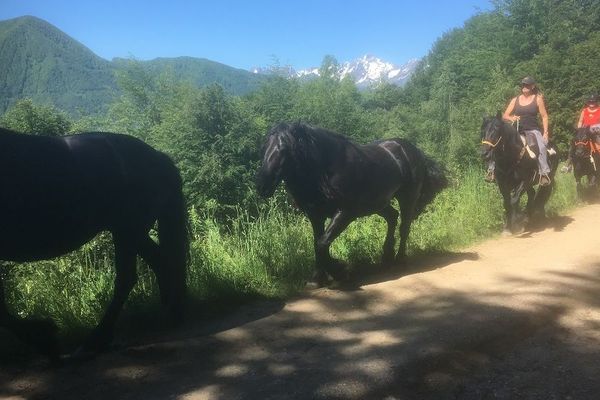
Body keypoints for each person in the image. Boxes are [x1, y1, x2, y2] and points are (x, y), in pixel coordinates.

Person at [493, 76, 551, 186]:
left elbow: (544, 117)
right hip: (516, 130)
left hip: (532, 130)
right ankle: (492, 171)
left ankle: (543, 173)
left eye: (527, 85)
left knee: (542, 146)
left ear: (532, 86)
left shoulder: (537, 99)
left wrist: (546, 133)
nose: (525, 87)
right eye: (523, 85)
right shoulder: (515, 100)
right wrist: (512, 118)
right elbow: (505, 115)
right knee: (497, 143)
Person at [562, 93, 600, 172]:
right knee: (573, 143)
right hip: (584, 132)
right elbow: (580, 121)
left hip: (595, 132)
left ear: (596, 101)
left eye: (593, 102)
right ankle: (568, 163)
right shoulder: (584, 111)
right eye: (590, 102)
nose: (591, 103)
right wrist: (579, 130)